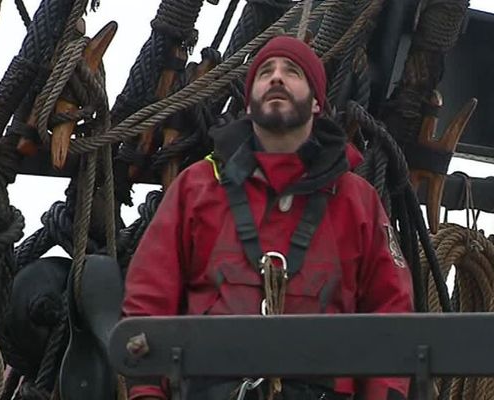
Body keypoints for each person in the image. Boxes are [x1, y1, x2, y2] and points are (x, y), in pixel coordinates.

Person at [122, 35, 414, 400]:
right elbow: (149, 300)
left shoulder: (358, 200)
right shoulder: (197, 187)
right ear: (248, 104)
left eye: (292, 72)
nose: (276, 78)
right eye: (265, 72)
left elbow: (390, 313)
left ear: (317, 104)